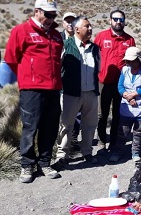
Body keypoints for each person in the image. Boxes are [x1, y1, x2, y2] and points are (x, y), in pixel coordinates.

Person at [5, 0, 63, 183]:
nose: (50, 19)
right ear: (37, 11)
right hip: (32, 89)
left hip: (53, 89)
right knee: (30, 127)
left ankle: (45, 162)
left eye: (53, 15)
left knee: (50, 127)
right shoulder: (21, 31)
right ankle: (27, 165)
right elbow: (11, 59)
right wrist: (27, 78)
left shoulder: (55, 35)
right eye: (47, 15)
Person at [56, 16, 99, 165]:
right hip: (71, 93)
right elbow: (58, 67)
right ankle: (62, 154)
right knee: (67, 125)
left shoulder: (94, 48)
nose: (90, 29)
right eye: (87, 26)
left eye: (90, 26)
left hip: (91, 93)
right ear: (77, 29)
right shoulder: (66, 46)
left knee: (89, 124)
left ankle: (87, 152)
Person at [94, 10, 135, 152]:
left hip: (121, 85)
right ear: (110, 20)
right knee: (101, 114)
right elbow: (93, 58)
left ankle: (114, 142)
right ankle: (101, 141)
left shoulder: (129, 40)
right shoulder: (101, 37)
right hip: (103, 82)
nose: (118, 22)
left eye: (121, 19)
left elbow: (133, 64)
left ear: (124, 21)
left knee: (118, 114)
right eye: (115, 19)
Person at [109, 47, 141, 163]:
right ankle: (118, 151)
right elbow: (120, 86)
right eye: (127, 60)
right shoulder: (124, 70)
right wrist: (126, 95)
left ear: (138, 60)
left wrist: (135, 94)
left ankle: (135, 152)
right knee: (123, 132)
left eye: (132, 60)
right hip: (126, 106)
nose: (129, 63)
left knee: (138, 132)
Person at [59, 11, 81, 152]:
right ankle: (61, 146)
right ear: (63, 23)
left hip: (78, 84)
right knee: (63, 117)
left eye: (73, 21)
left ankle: (73, 141)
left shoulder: (81, 40)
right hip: (62, 85)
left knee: (77, 116)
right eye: (67, 21)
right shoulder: (58, 39)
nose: (70, 24)